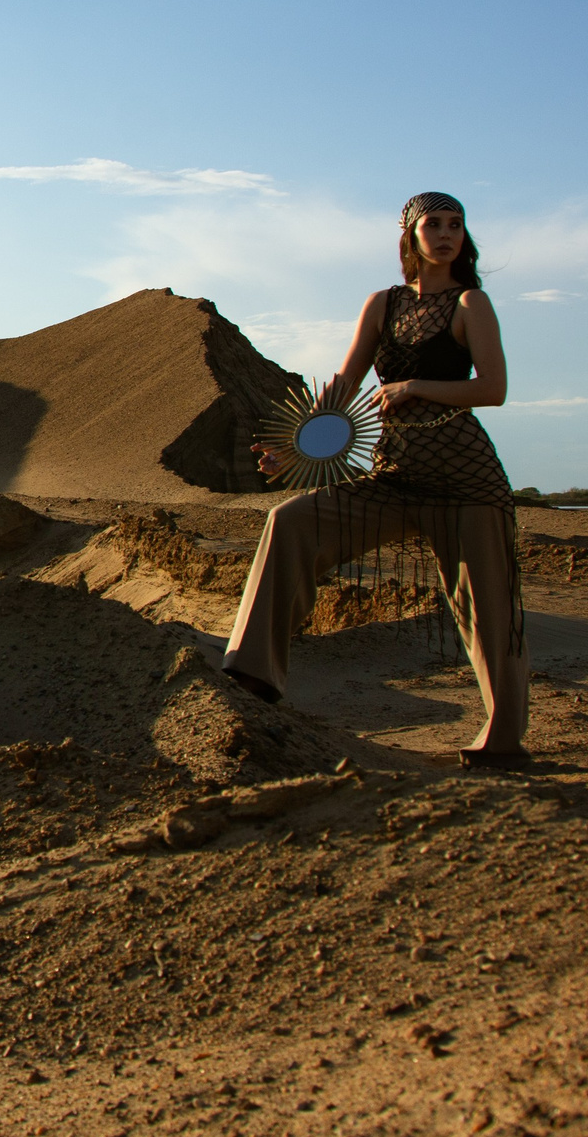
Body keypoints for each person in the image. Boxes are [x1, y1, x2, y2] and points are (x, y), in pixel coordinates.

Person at [220, 191, 529, 763]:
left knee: (487, 610)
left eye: (455, 225)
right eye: (432, 224)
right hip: (394, 473)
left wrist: (415, 388)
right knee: (290, 521)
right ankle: (254, 671)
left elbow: (493, 389)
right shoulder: (382, 304)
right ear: (409, 236)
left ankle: (504, 740)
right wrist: (297, 450)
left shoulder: (471, 304)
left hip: (466, 483)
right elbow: (345, 382)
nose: (445, 234)